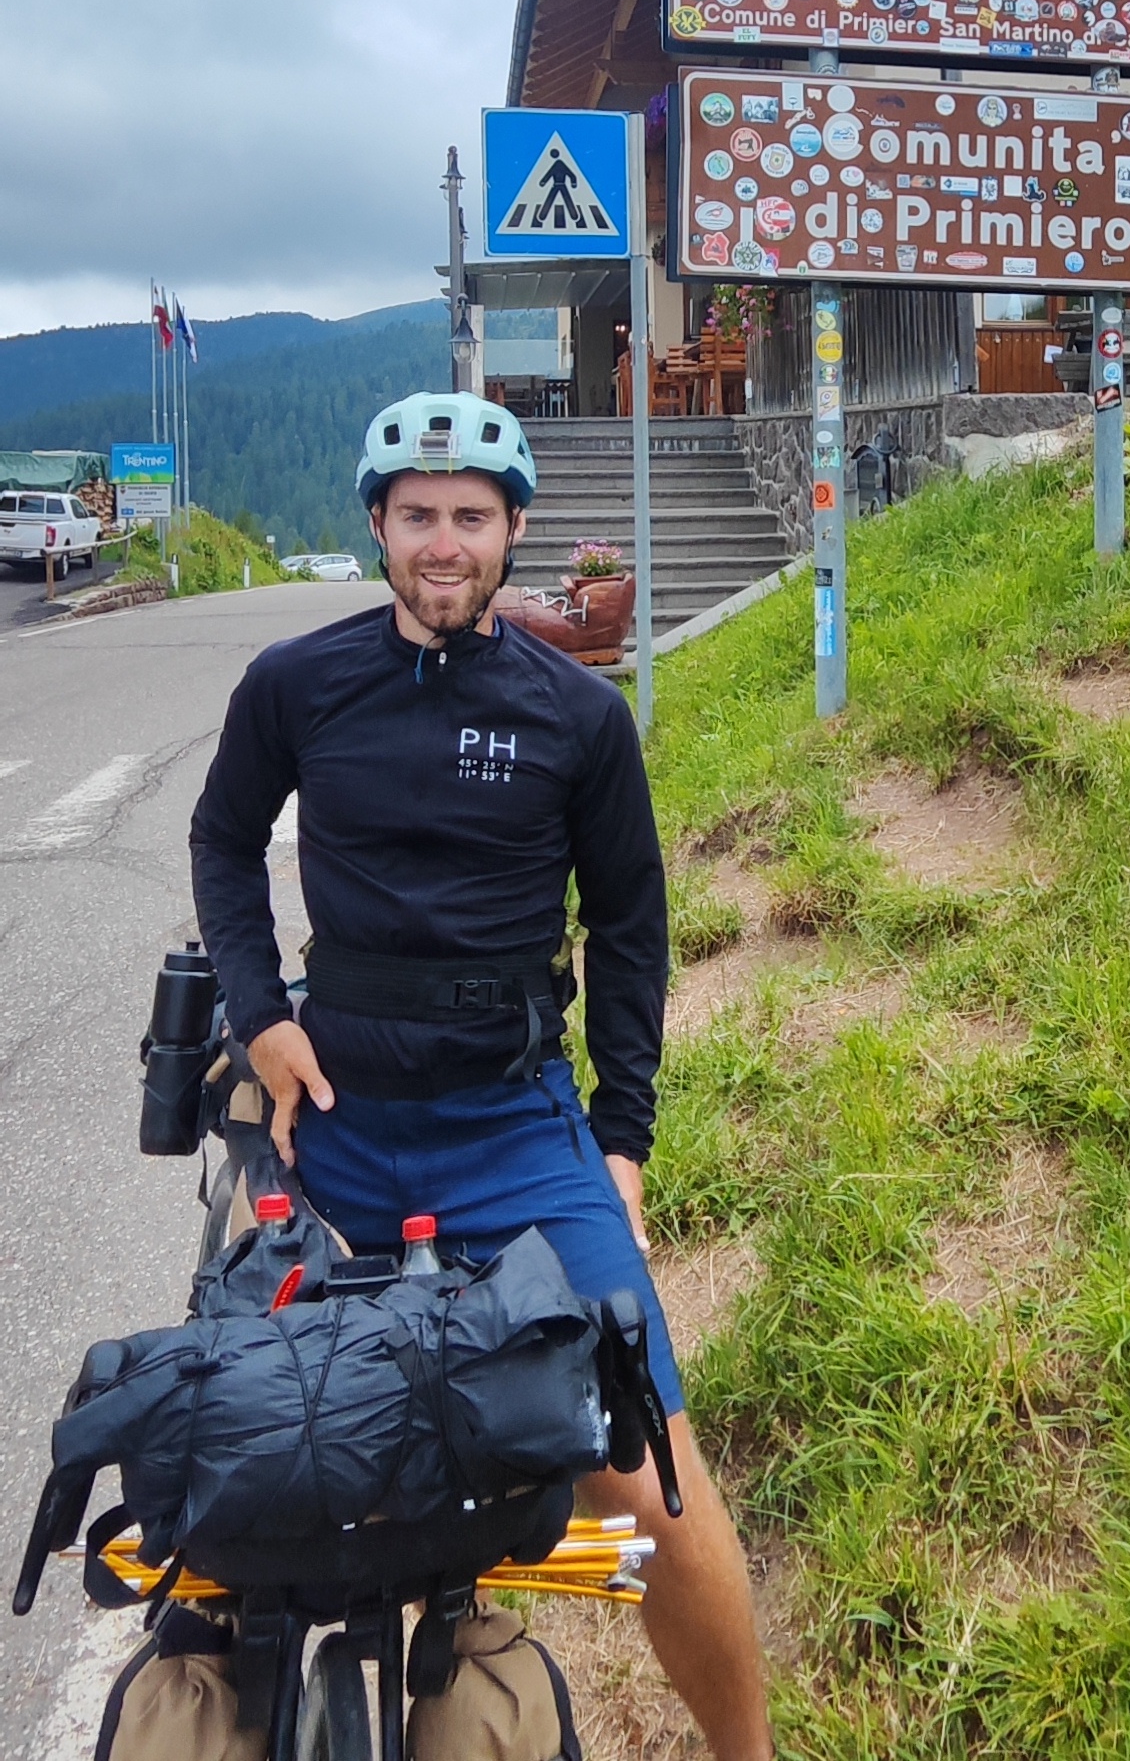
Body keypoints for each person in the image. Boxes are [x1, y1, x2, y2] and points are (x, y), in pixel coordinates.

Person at [189, 391, 772, 1761]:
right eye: (415, 517)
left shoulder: (577, 717)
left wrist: (620, 1140)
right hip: (330, 1131)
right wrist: (262, 1014)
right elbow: (223, 843)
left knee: (657, 1487)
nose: (441, 543)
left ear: (513, 532)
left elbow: (632, 928)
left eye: (468, 517)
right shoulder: (296, 684)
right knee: (253, 1459)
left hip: (515, 1129)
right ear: (380, 530)